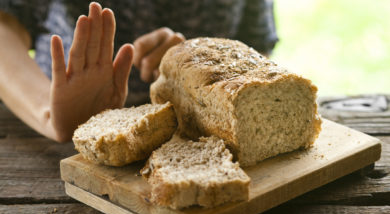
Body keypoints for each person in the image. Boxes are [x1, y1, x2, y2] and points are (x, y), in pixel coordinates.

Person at [0, 0, 278, 142]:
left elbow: (255, 51)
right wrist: (46, 111)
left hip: (198, 134)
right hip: (49, 135)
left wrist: (192, 66)